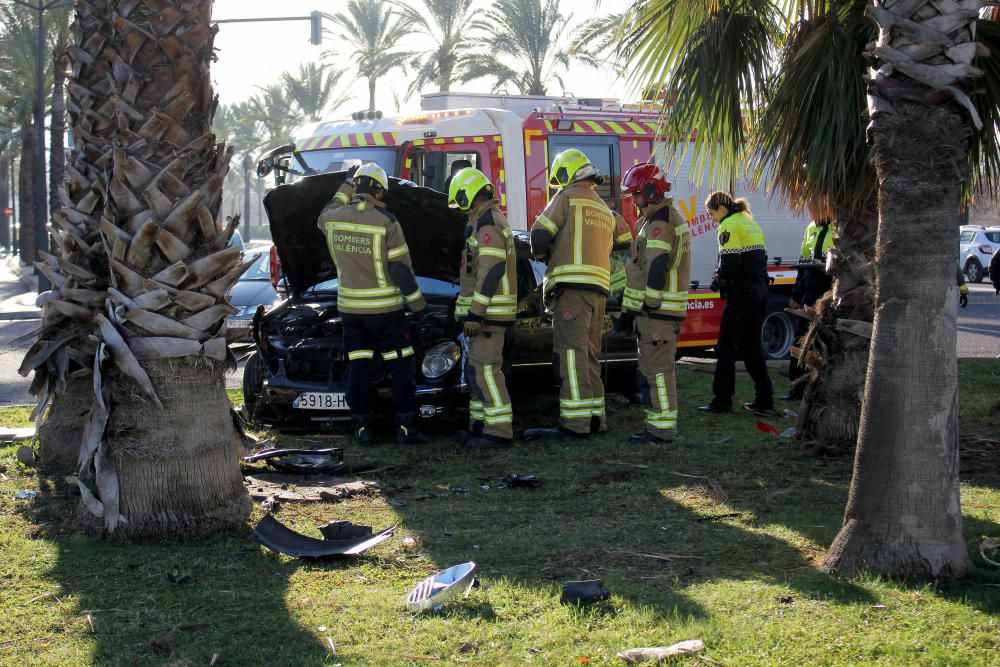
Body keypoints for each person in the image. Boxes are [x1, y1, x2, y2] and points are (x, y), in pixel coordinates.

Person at [317, 163, 429, 445]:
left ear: (357, 188)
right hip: (387, 312)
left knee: (359, 368)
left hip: (351, 312)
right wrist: (418, 307)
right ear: (379, 190)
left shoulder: (331, 219)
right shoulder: (386, 221)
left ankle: (362, 431)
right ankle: (405, 431)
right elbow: (401, 270)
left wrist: (345, 184)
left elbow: (324, 211)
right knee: (400, 366)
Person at [523, 149, 627, 440]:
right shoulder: (605, 209)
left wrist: (545, 255)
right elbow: (622, 244)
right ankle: (594, 419)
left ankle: (574, 425)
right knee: (589, 355)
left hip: (572, 290)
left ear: (567, 174)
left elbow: (539, 236)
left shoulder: (566, 197)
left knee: (571, 354)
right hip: (598, 293)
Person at [616, 163, 691, 444]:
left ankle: (660, 431)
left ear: (651, 190)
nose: (634, 201)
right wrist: (629, 312)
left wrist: (647, 304)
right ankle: (657, 427)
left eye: (636, 195)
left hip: (657, 315)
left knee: (657, 373)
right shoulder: (660, 219)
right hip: (657, 314)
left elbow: (657, 268)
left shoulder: (660, 223)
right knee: (656, 371)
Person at [449, 167, 518, 449]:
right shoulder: (484, 221)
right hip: (486, 313)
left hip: (489, 315)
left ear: (468, 196)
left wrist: (476, 312)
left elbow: (492, 269)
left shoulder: (488, 223)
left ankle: (498, 432)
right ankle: (479, 426)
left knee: (488, 371)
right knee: (477, 371)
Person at [700, 191, 775, 416]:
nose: (711, 218)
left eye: (711, 213)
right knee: (751, 348)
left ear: (721, 209)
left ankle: (722, 400)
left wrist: (718, 278)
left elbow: (731, 263)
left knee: (725, 347)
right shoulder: (750, 223)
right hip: (760, 290)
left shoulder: (728, 225)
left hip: (742, 293)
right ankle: (765, 399)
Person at [783, 214, 835, 401]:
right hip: (809, 294)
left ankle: (820, 390)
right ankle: (796, 388)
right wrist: (796, 294)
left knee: (824, 343)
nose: (812, 211)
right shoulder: (811, 228)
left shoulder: (837, 226)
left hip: (830, 294)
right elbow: (803, 263)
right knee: (799, 339)